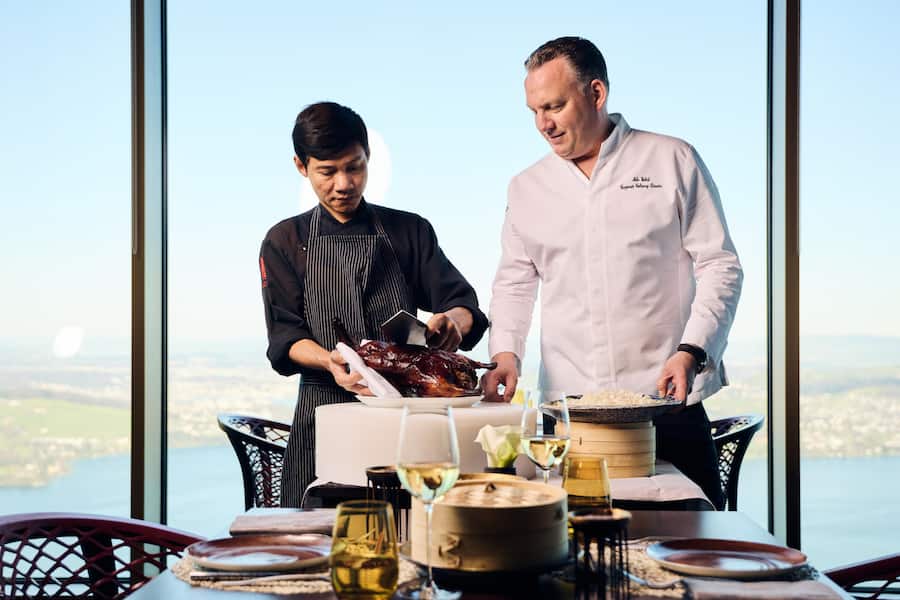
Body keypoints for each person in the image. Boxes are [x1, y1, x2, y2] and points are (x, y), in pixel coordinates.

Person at [483, 37, 742, 509]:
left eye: (554, 106)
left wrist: (692, 351)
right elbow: (515, 282)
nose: (543, 124)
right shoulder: (526, 188)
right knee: (575, 554)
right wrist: (505, 352)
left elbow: (720, 265)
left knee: (695, 542)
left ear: (596, 93)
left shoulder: (672, 159)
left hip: (668, 400)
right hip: (570, 415)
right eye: (534, 111)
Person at [260, 102, 489, 506]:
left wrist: (453, 320)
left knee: (409, 530)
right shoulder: (283, 241)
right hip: (323, 413)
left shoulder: (409, 230)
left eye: (355, 167)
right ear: (301, 166)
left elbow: (462, 303)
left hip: (402, 421)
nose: (344, 183)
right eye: (327, 172)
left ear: (369, 157)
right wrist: (330, 360)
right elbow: (285, 335)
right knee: (316, 538)